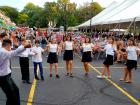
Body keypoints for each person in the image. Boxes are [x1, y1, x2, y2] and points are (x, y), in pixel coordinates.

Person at [0, 39, 30, 105]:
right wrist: (24, 47)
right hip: (3, 77)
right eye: (11, 47)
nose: (11, 48)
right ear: (8, 45)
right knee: (11, 95)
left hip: (6, 76)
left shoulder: (3, 50)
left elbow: (14, 51)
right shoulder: (3, 52)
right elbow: (14, 52)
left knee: (15, 91)